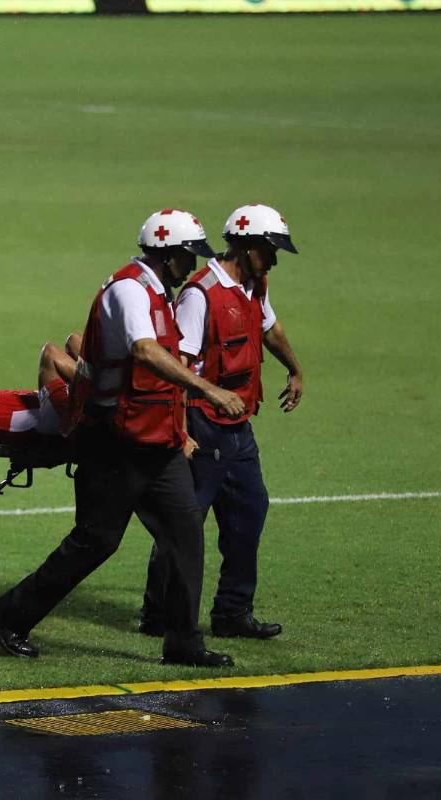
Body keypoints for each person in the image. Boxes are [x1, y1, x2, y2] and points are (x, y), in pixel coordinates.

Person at [0, 209, 247, 666]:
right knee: (96, 541)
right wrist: (207, 389)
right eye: (189, 257)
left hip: (156, 443)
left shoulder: (159, 292)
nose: (193, 266)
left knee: (185, 533)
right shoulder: (129, 290)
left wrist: (180, 432)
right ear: (169, 255)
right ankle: (10, 613)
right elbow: (144, 352)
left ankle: (183, 641)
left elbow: (161, 377)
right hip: (112, 441)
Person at [138, 204, 303, 640]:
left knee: (250, 511)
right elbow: (177, 367)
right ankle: (159, 614)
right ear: (247, 246)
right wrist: (182, 431)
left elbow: (269, 328)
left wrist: (294, 367)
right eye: (270, 250)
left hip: (238, 427)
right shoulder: (201, 294)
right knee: (184, 522)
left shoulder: (254, 285)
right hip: (200, 423)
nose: (275, 259)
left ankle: (232, 613)